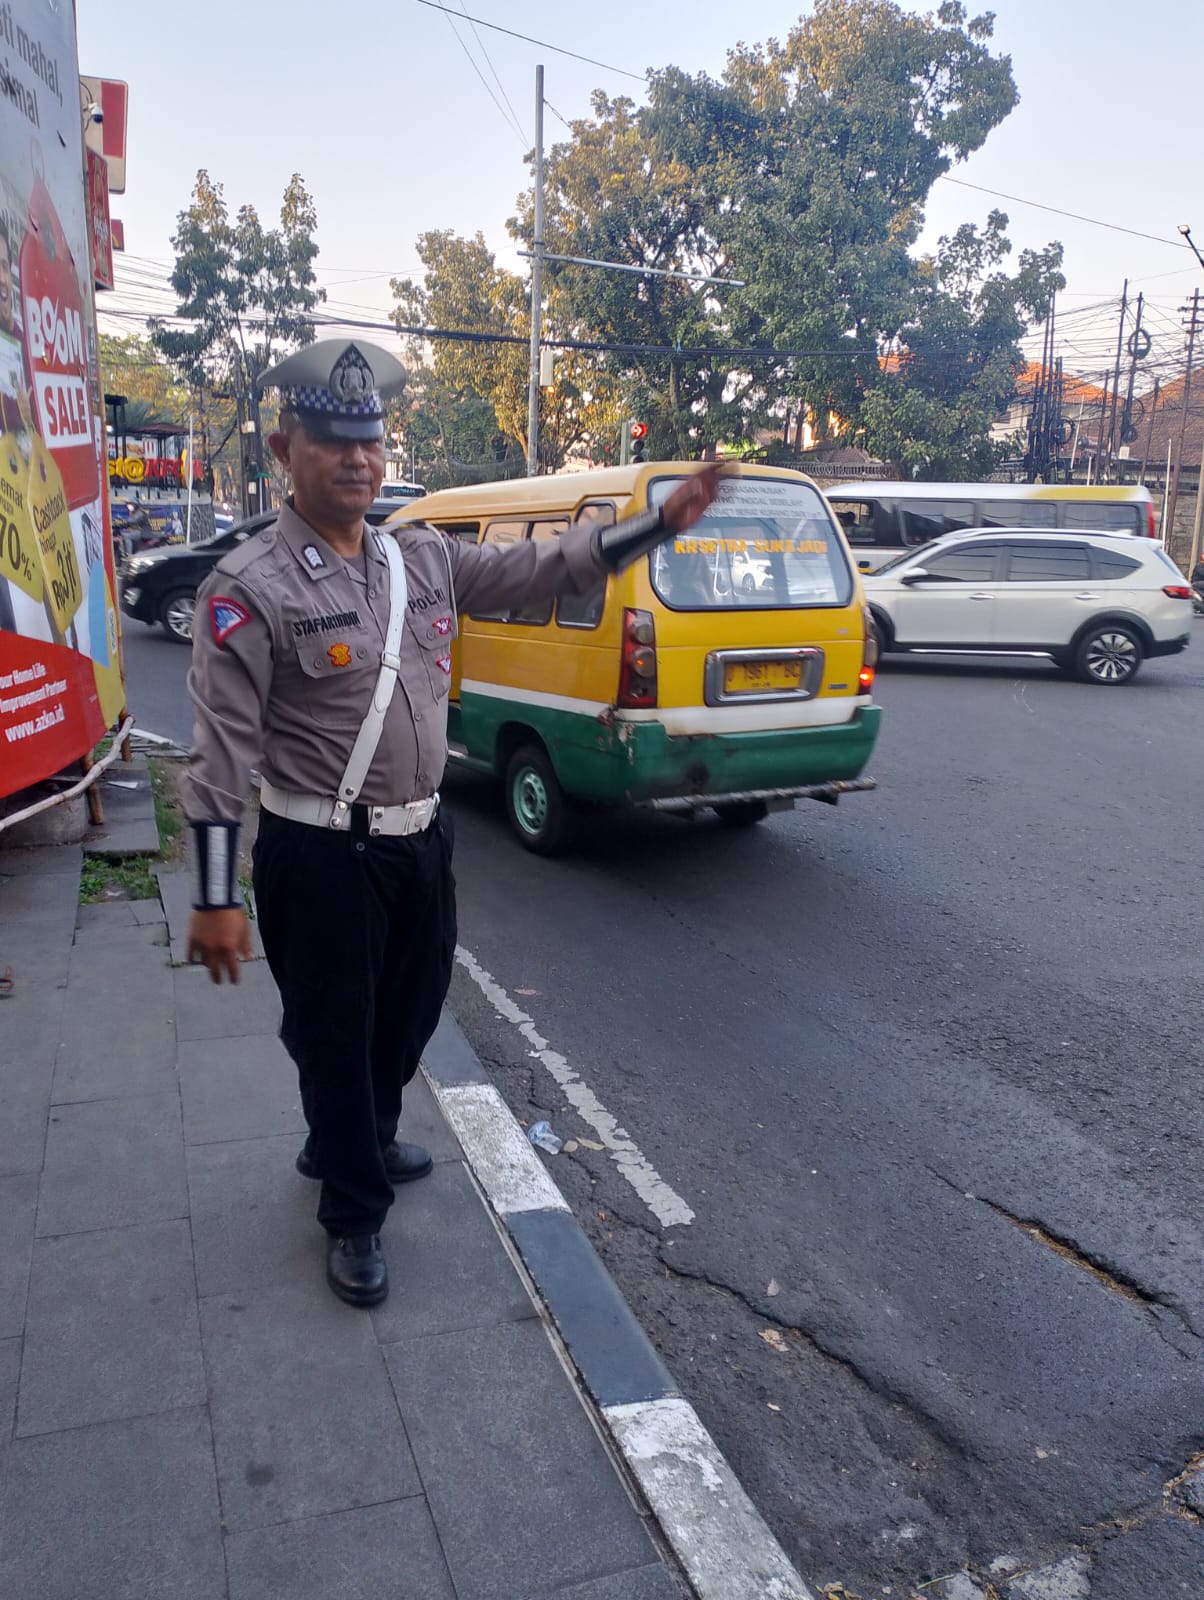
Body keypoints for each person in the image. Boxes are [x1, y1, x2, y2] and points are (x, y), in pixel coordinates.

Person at [181, 339, 723, 1307]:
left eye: (371, 441)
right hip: (319, 853)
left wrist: (656, 525)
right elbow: (218, 750)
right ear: (285, 449)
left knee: (411, 1010)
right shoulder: (249, 585)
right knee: (336, 1033)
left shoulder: (420, 556)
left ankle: (362, 1131)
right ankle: (352, 1209)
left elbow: (538, 567)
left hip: (420, 841)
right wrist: (215, 894)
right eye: (333, 442)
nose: (358, 460)